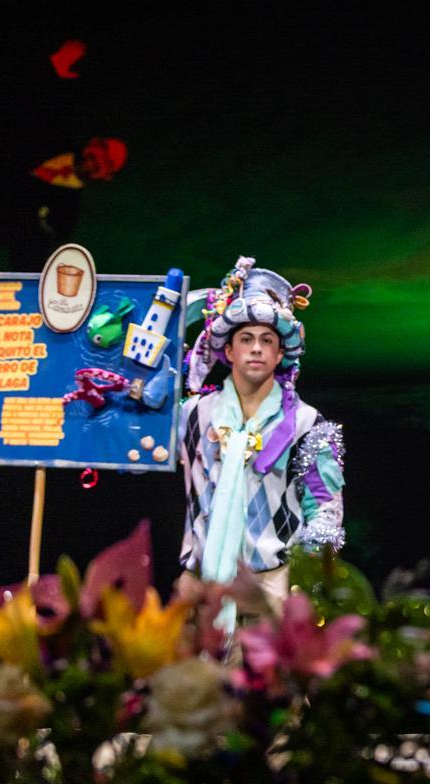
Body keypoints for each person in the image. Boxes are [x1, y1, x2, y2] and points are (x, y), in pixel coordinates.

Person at [178, 258, 345, 617]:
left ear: (280, 352)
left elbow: (326, 509)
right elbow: (140, 446)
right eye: (246, 339)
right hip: (199, 587)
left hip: (271, 587)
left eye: (266, 340)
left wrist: (306, 578)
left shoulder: (305, 423)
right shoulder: (192, 415)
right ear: (228, 350)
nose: (256, 348)